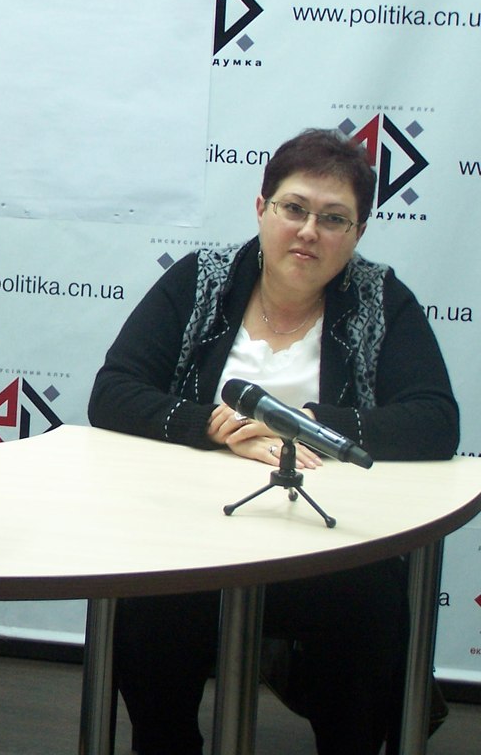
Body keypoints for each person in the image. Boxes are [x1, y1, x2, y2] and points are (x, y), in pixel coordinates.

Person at [88, 128, 458, 755]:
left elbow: (434, 420)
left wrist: (305, 421)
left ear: (358, 233)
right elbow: (113, 392)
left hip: (328, 543)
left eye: (334, 218)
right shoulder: (201, 282)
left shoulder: (380, 300)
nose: (309, 231)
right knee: (147, 608)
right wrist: (211, 426)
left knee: (374, 608)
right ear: (261, 209)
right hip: (191, 533)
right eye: (294, 208)